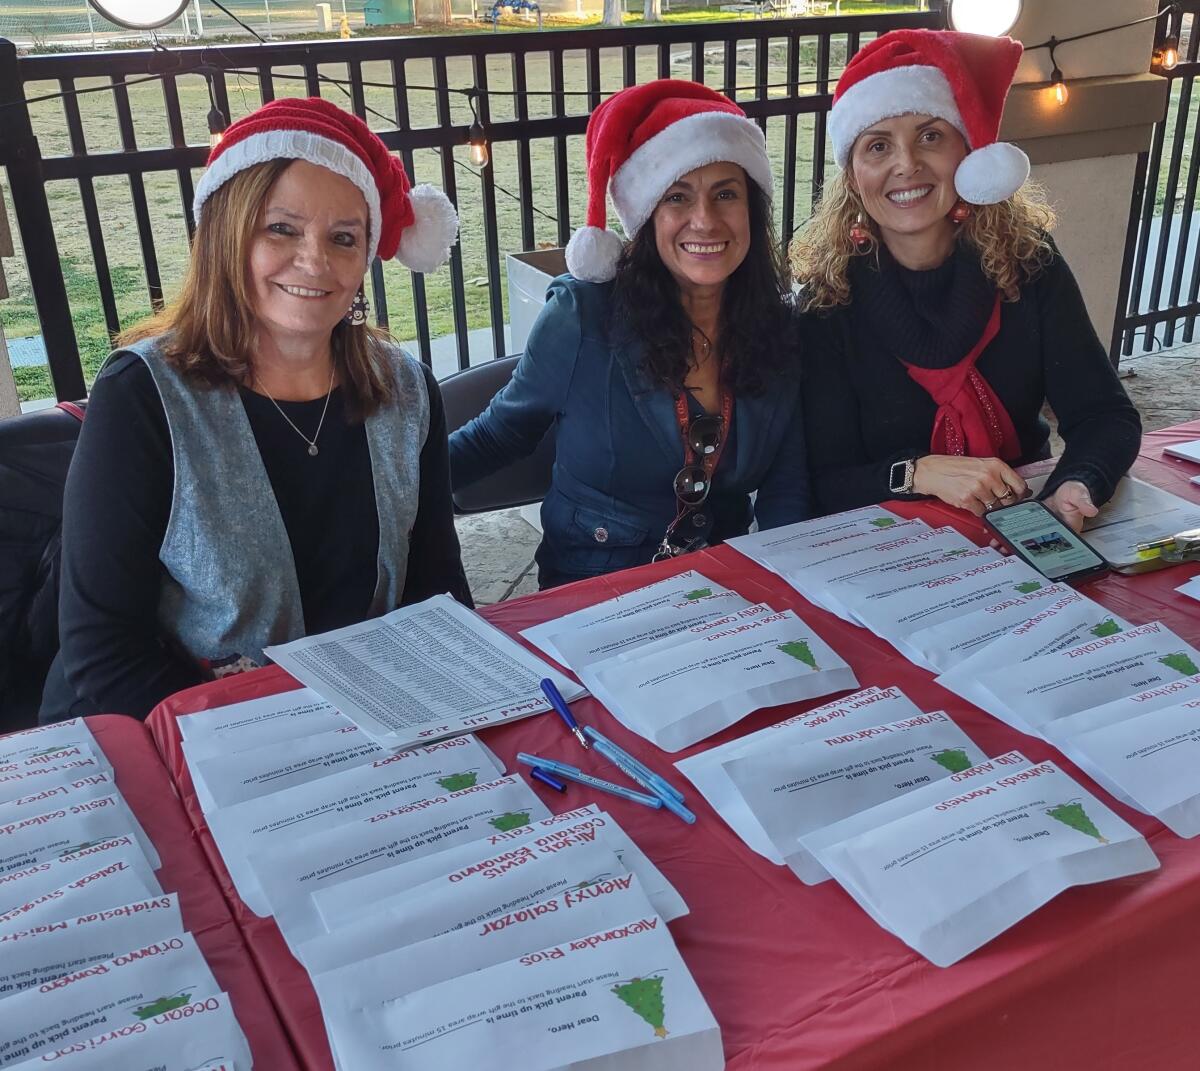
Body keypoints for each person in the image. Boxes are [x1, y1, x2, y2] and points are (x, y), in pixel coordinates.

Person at [42, 97, 467, 721]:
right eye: (282, 229)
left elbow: (438, 592)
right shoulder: (142, 395)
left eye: (343, 238)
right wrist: (282, 740)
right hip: (190, 729)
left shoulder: (405, 389)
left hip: (373, 722)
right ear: (226, 236)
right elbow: (103, 650)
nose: (316, 261)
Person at [450, 80, 810, 588]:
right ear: (645, 216)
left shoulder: (778, 326)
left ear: (752, 209)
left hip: (721, 590)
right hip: (590, 591)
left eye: (725, 194)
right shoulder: (583, 315)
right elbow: (498, 435)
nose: (704, 220)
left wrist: (789, 589)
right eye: (677, 197)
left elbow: (786, 485)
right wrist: (385, 495)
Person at [792, 30, 1141, 528]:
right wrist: (919, 473)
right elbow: (823, 481)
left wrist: (1077, 484)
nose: (906, 164)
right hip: (886, 538)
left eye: (930, 136)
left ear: (968, 151)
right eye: (878, 146)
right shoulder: (828, 301)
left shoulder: (1028, 263)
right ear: (853, 176)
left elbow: (1105, 415)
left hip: (1019, 514)